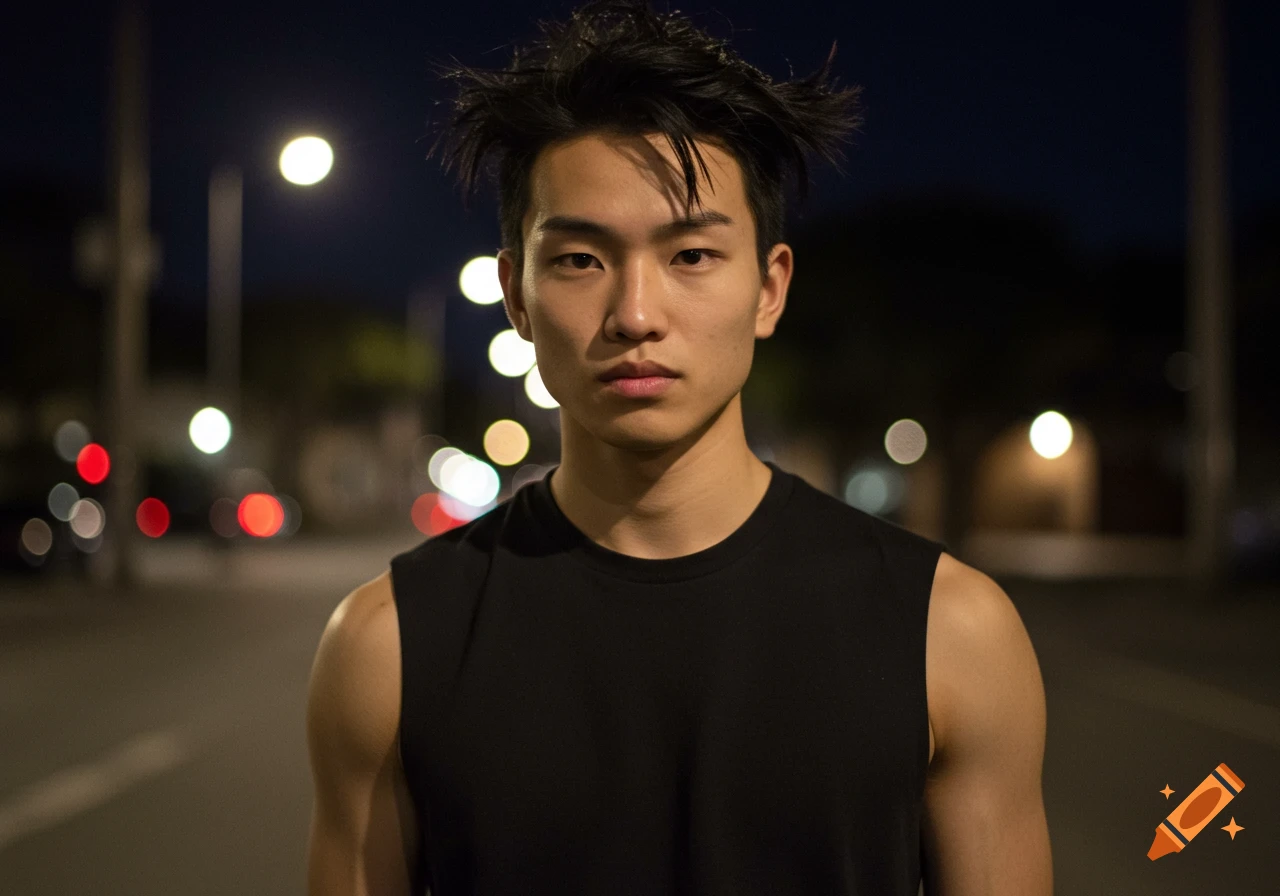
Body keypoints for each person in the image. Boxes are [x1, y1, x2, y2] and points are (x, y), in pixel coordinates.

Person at [304, 0, 1052, 893]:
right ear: (517, 295)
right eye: (580, 260)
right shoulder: (388, 645)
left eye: (691, 255)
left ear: (769, 289)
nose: (636, 315)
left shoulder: (949, 631)